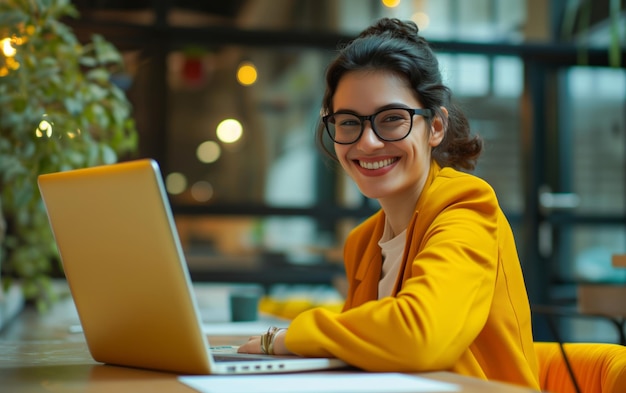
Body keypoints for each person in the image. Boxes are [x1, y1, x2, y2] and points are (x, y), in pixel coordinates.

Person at [238, 17, 540, 389]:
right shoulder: (362, 242)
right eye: (348, 122)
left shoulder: (466, 209)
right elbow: (365, 347)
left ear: (435, 128)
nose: (367, 143)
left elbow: (418, 335)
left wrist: (287, 338)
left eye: (392, 119)